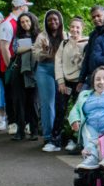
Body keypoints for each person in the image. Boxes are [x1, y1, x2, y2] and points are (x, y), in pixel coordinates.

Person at [33, 9, 67, 151]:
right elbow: (36, 55)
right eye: (49, 20)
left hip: (62, 71)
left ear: (60, 21)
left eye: (55, 19)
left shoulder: (66, 36)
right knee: (47, 103)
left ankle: (58, 135)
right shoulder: (41, 36)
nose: (53, 22)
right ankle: (48, 137)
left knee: (61, 103)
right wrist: (46, 50)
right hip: (45, 69)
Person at [55, 16, 88, 152]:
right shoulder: (64, 43)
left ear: (82, 28)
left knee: (78, 111)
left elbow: (86, 63)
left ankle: (75, 139)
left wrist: (82, 81)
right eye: (72, 27)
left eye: (77, 27)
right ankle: (56, 139)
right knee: (60, 110)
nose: (75, 29)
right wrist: (61, 81)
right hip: (66, 82)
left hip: (80, 82)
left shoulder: (87, 43)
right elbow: (58, 62)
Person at [0, 0, 33, 130]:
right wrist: (11, 67)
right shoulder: (8, 23)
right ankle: (12, 122)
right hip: (10, 66)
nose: (27, 9)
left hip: (21, 65)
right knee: (11, 95)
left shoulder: (20, 22)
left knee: (21, 95)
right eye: (26, 6)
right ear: (20, 7)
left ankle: (23, 122)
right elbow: (4, 47)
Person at [11, 11, 41, 141]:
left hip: (35, 72)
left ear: (32, 21)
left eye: (27, 21)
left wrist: (29, 47)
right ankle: (20, 130)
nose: (25, 24)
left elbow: (43, 50)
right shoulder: (18, 36)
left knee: (33, 102)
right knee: (19, 102)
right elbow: (16, 49)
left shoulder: (39, 36)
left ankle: (34, 130)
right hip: (19, 72)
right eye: (22, 22)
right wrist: (31, 46)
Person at [76, 5, 104, 90]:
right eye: (93, 17)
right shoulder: (93, 35)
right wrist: (81, 80)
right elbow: (87, 57)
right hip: (91, 76)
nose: (96, 19)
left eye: (98, 16)